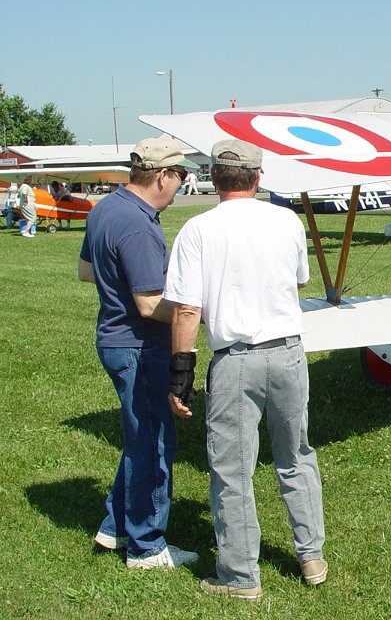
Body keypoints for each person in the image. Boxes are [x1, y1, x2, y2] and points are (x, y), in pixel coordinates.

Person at [165, 138, 326, 601]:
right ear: (258, 177)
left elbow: (186, 310)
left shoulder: (198, 229)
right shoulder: (287, 220)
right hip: (289, 352)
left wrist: (180, 375)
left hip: (236, 360)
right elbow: (299, 280)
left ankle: (240, 576)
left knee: (232, 470)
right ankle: (311, 555)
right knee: (296, 455)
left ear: (214, 178)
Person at [77, 138, 198, 570]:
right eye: (181, 176)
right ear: (162, 175)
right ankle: (146, 546)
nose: (182, 185)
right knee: (153, 444)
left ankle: (116, 527)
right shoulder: (138, 225)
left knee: (139, 438)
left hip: (115, 339)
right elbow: (149, 305)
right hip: (140, 347)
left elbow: (86, 271)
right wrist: (195, 315)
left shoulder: (106, 208)